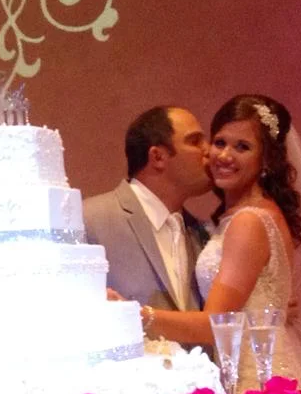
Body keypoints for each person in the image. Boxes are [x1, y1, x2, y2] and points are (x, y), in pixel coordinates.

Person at [135, 94, 301, 391]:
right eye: (220, 142)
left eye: (242, 147)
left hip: (256, 381)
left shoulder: (249, 221)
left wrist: (139, 316)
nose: (225, 156)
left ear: (266, 160)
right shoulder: (241, 217)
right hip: (244, 370)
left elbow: (216, 323)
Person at [83, 106, 212, 313]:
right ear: (157, 157)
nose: (210, 151)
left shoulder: (203, 232)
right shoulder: (90, 219)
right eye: (195, 141)